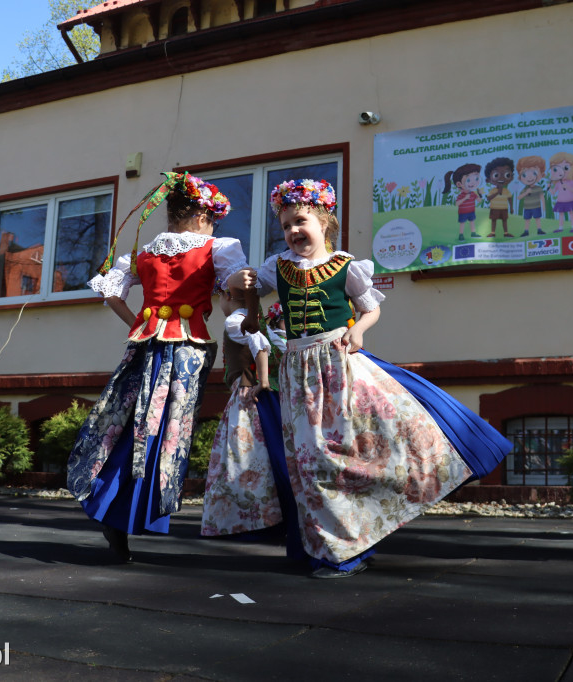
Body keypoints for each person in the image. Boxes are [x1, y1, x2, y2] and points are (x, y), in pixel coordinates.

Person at [256, 179, 512, 578]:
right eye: (285, 225)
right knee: (308, 461)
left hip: (337, 365)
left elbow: (369, 308)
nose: (292, 232)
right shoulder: (278, 267)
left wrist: (357, 330)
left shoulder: (345, 265)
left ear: (324, 221)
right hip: (297, 371)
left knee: (345, 454)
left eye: (300, 221)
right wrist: (236, 287)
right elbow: (247, 290)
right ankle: (334, 548)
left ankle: (351, 546)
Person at [67, 171, 254, 563]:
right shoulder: (218, 247)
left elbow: (113, 294)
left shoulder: (144, 250)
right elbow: (232, 289)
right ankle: (125, 509)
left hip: (144, 345)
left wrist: (141, 322)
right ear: (204, 217)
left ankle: (109, 502)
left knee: (128, 421)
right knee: (166, 427)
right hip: (188, 347)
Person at [201, 294, 304, 560]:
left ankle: (251, 523)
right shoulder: (258, 322)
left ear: (227, 297)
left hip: (250, 394)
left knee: (245, 458)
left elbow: (260, 348)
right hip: (261, 395)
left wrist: (263, 380)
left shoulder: (236, 320)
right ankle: (272, 518)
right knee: (263, 458)